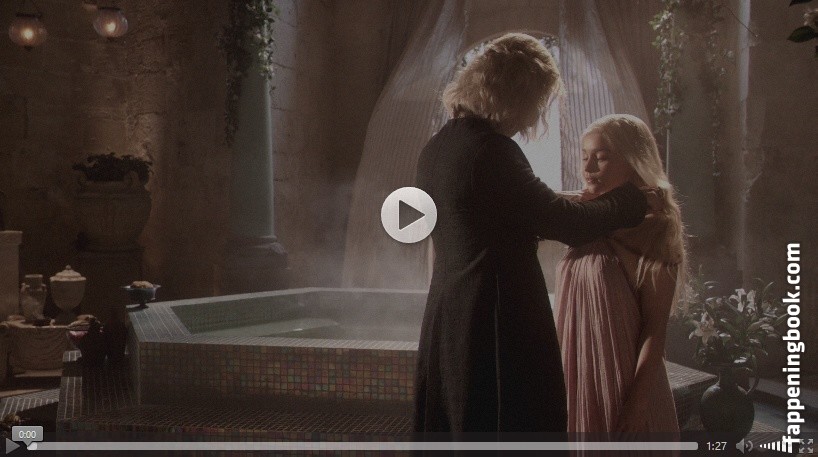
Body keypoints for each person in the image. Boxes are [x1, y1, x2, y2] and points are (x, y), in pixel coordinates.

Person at [413, 33, 660, 435]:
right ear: (517, 95)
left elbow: (503, 215)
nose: (533, 118)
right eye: (537, 102)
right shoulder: (490, 150)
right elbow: (567, 224)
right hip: (495, 323)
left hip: (450, 319)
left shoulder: (438, 148)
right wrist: (632, 199)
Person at [555, 114, 685, 440]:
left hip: (623, 384)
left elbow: (655, 328)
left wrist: (637, 402)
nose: (588, 169)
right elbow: (545, 205)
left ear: (633, 161)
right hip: (579, 380)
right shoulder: (585, 218)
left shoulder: (655, 228)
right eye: (584, 157)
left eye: (601, 158)